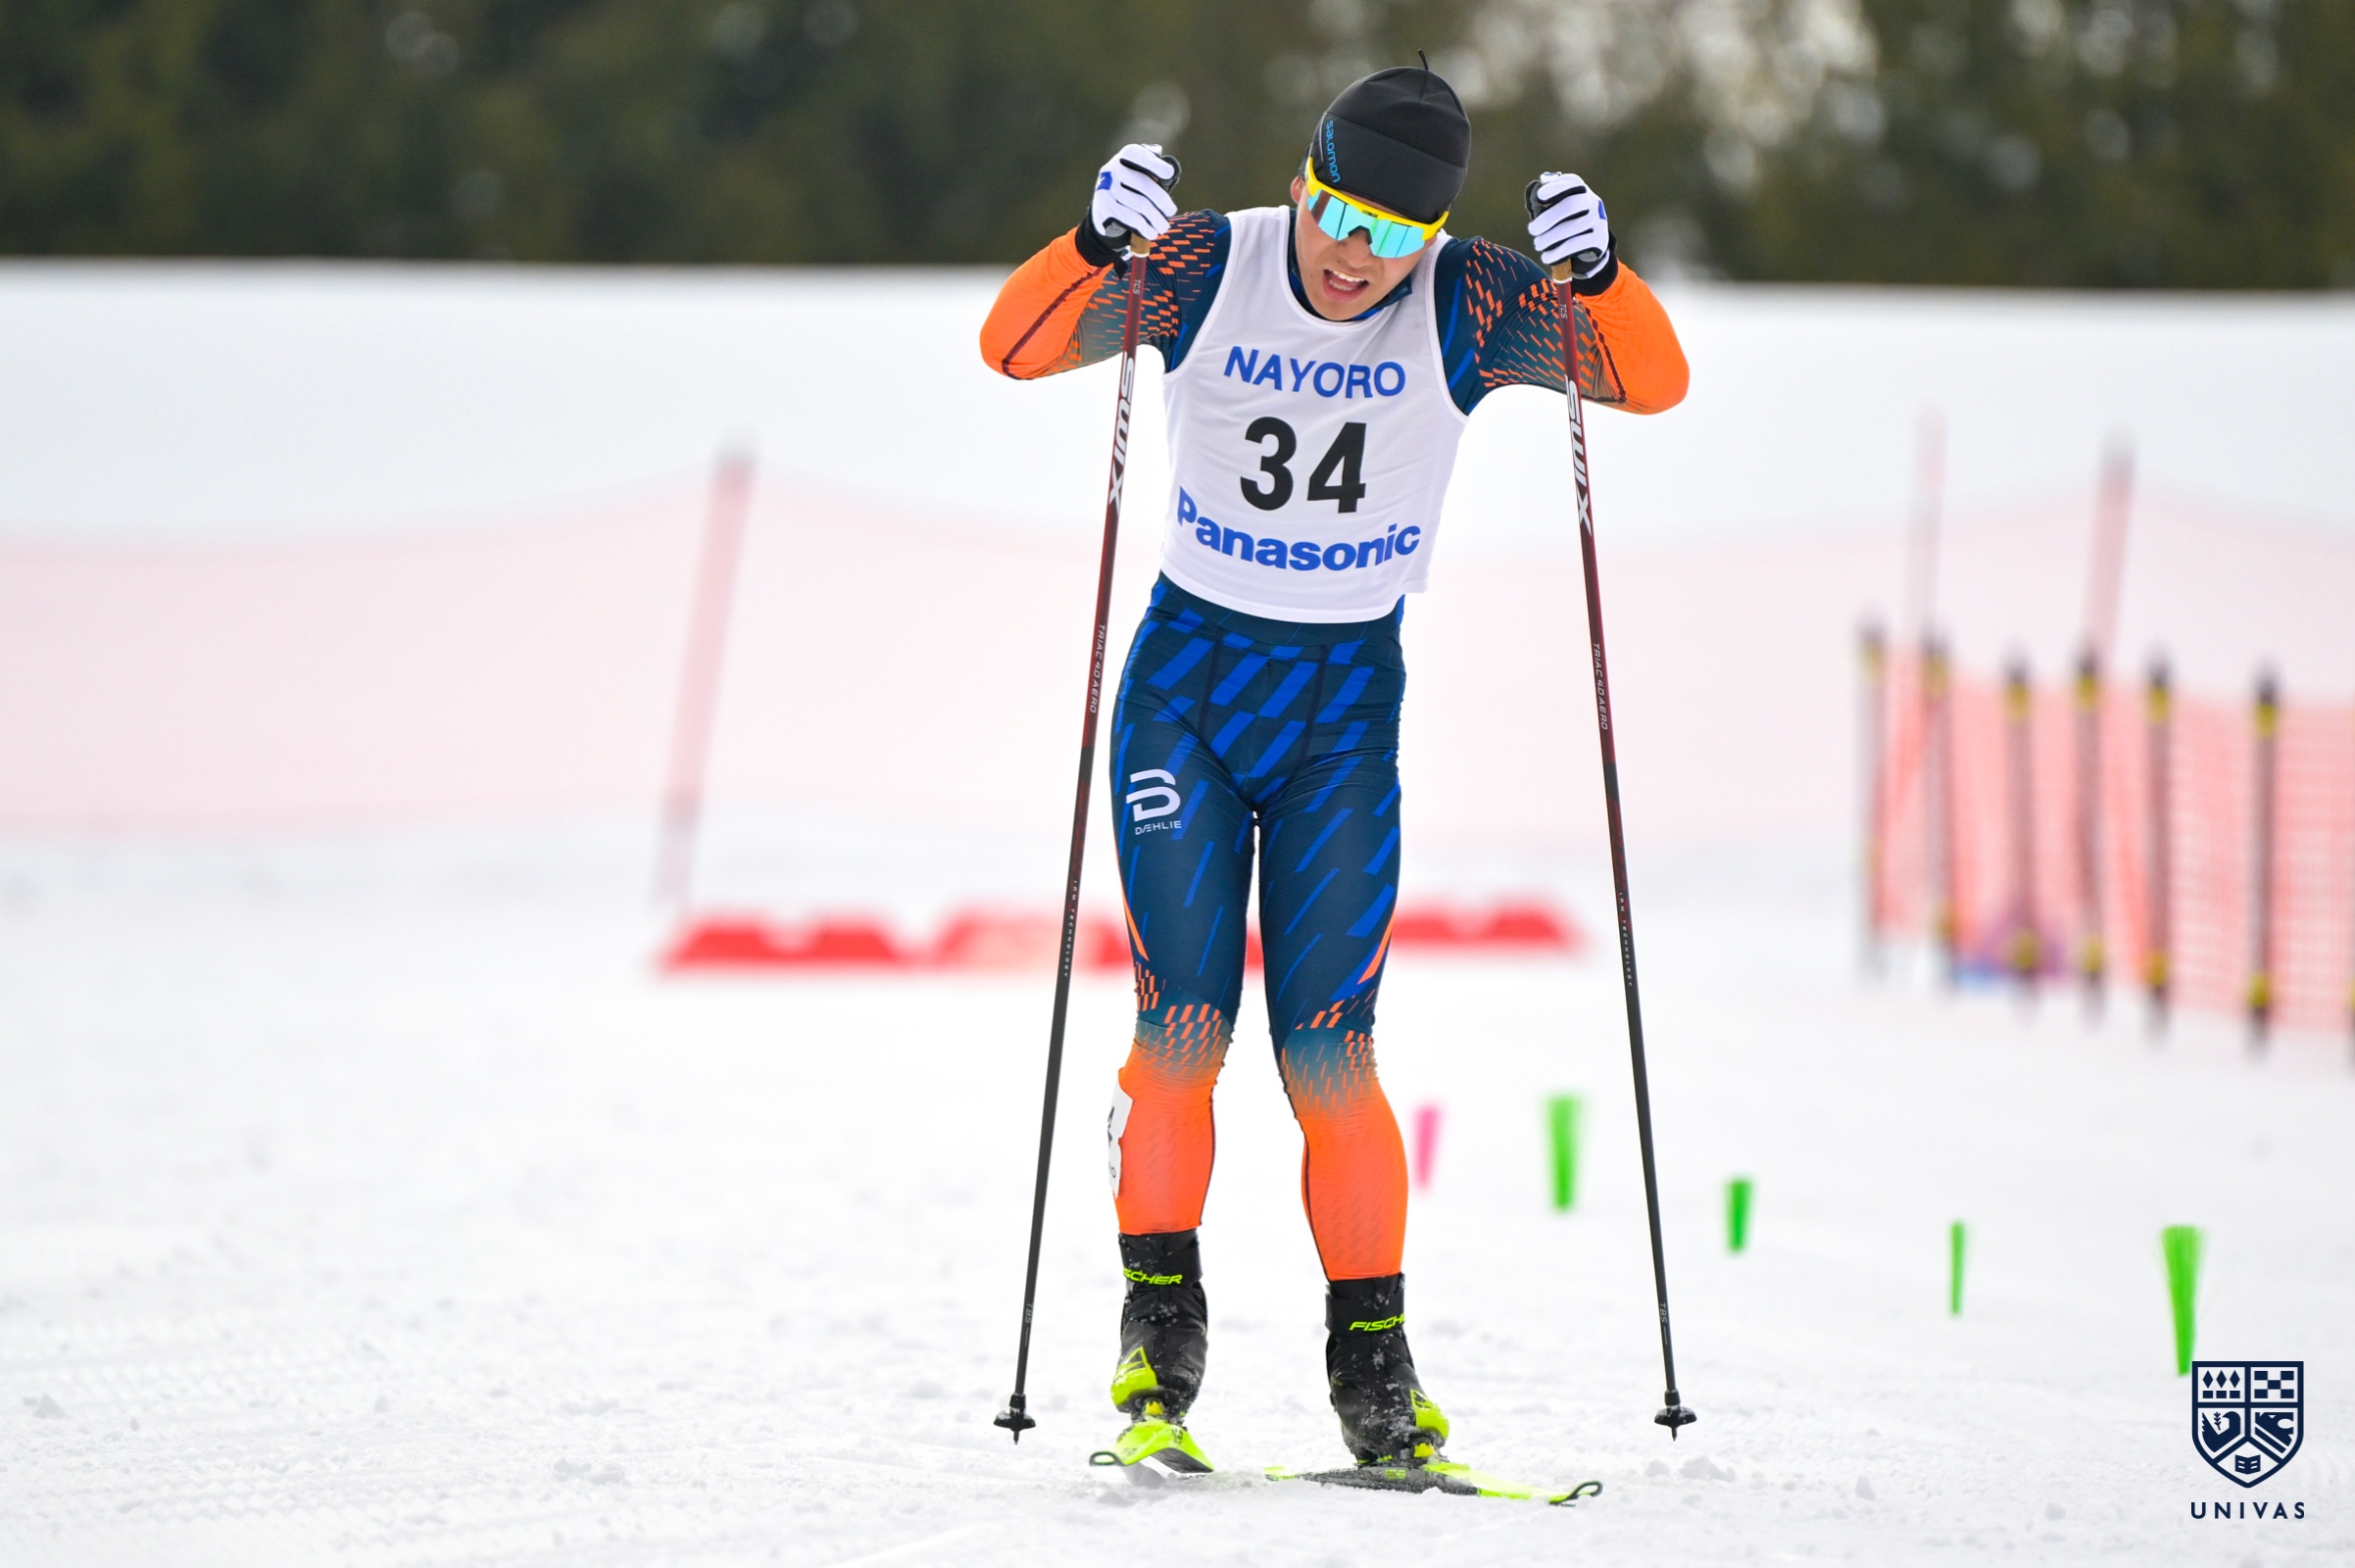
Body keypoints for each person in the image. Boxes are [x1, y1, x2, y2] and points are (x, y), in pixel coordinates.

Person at [979, 65, 1687, 1471]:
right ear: (1305, 180)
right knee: (1185, 1031)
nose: (1356, 256)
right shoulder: (1210, 264)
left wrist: (1603, 278)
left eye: (1395, 235)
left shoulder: (1467, 302)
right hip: (1188, 697)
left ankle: (1375, 1370)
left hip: (1343, 712)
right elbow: (1014, 347)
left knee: (1332, 1052)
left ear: (1437, 236)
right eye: (1341, 215)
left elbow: (1649, 383)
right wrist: (1094, 244)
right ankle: (1158, 1334)